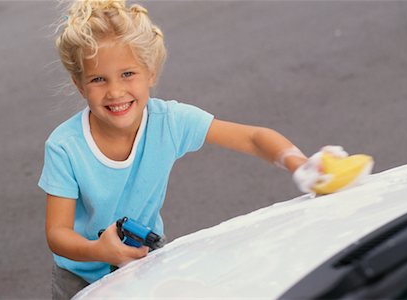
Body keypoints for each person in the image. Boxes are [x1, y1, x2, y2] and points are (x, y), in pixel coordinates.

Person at [38, 1, 349, 299]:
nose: (116, 91)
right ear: (79, 85)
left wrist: (302, 164)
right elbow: (58, 233)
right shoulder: (64, 147)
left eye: (128, 74)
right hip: (78, 277)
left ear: (151, 73)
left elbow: (253, 137)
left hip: (145, 260)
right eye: (98, 79)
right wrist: (98, 251)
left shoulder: (169, 122)